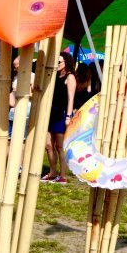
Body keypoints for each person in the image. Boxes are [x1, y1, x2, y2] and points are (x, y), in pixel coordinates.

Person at [42, 52, 77, 183]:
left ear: (66, 63)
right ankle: (52, 172)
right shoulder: (55, 75)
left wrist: (68, 116)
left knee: (60, 146)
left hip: (61, 114)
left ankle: (63, 175)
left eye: (59, 62)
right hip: (51, 112)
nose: (56, 65)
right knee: (48, 144)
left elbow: (71, 99)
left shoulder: (70, 77)